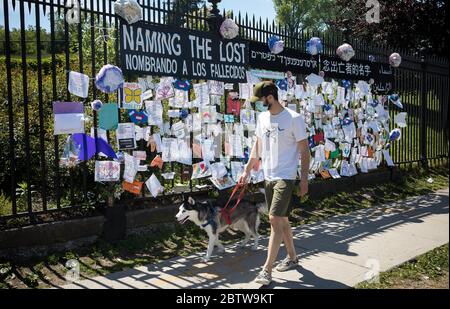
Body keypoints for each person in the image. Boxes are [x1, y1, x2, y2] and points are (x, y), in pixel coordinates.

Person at [238, 81, 310, 286]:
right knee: (282, 221)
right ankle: (293, 257)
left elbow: (305, 151)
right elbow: (257, 147)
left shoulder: (294, 119)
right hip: (268, 176)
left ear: (270, 97)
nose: (258, 104)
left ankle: (266, 270)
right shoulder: (262, 118)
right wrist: (246, 170)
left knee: (274, 220)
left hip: (285, 177)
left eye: (260, 100)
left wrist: (303, 179)